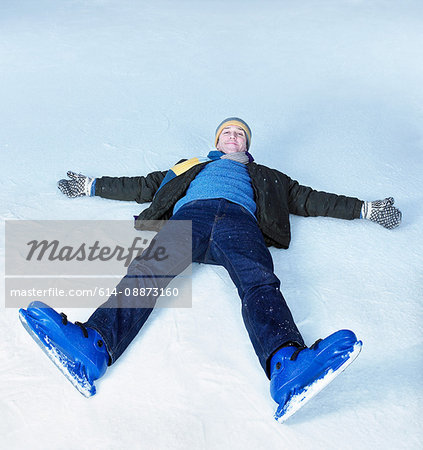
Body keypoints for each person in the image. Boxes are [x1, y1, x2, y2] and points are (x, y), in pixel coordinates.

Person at [19, 117, 402, 422]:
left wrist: (366, 209)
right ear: (218, 142)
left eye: (239, 134)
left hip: (240, 223)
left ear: (246, 145)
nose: (233, 137)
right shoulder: (188, 166)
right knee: (147, 271)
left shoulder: (269, 176)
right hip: (191, 219)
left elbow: (310, 199)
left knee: (259, 284)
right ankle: (93, 345)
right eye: (227, 133)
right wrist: (90, 185)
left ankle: (288, 366)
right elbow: (142, 186)